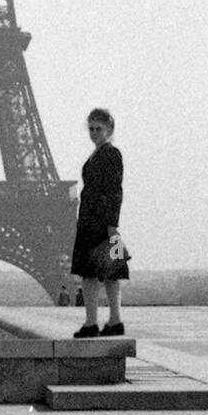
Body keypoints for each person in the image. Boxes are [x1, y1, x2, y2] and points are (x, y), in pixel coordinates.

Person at [70, 108, 128, 337]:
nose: (94, 133)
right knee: (105, 272)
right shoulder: (99, 153)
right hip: (92, 220)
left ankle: (97, 322)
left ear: (109, 129)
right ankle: (109, 321)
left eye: (99, 129)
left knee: (98, 273)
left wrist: (112, 224)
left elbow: (115, 190)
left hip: (100, 221)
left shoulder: (110, 154)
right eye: (91, 128)